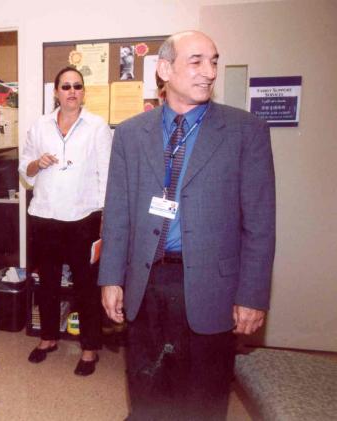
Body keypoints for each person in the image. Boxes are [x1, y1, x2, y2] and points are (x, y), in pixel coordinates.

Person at [99, 30, 275, 420]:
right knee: (147, 394)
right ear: (164, 70)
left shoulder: (246, 131)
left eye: (213, 61)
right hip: (146, 283)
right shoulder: (130, 135)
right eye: (196, 61)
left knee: (203, 399)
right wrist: (111, 277)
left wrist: (252, 295)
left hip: (212, 286)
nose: (209, 72)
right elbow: (118, 214)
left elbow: (260, 223)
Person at [19, 67, 112, 376]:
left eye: (78, 86)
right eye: (66, 86)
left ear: (83, 92)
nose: (72, 91)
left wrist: (103, 217)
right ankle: (48, 338)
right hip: (45, 217)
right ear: (56, 92)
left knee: (86, 286)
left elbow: (106, 174)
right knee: (47, 283)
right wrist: (36, 163)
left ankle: (89, 348)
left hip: (83, 218)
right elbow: (25, 170)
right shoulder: (40, 126)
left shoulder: (97, 126)